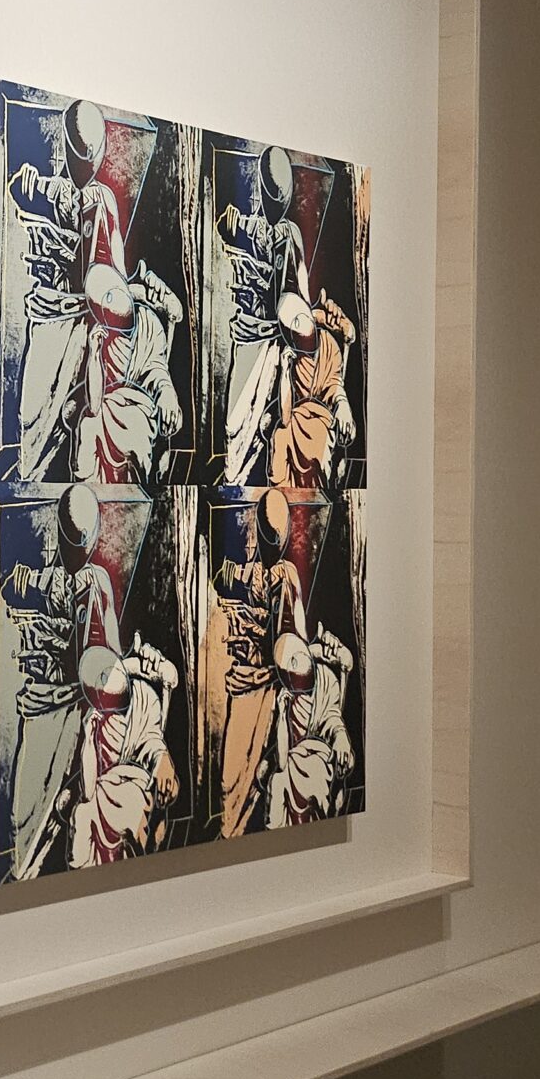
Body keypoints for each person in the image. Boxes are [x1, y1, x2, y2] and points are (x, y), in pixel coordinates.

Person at [3, 484, 120, 880]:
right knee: (24, 810)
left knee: (70, 800)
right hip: (42, 705)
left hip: (80, 708)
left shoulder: (97, 582)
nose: (79, 550)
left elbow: (110, 655)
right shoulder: (45, 581)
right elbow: (13, 587)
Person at [8, 100, 126, 481]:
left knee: (83, 414)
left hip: (86, 322)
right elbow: (16, 190)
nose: (86, 165)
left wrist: (112, 304)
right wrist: (28, 184)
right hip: (49, 317)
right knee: (31, 415)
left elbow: (117, 271)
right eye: (80, 154)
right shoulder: (47, 188)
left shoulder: (104, 200)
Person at [214, 487, 306, 839]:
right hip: (244, 681)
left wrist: (259, 630)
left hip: (271, 684)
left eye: (277, 536)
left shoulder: (287, 576)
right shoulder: (249, 573)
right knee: (230, 776)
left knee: (259, 767)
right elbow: (225, 580)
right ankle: (232, 829)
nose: (273, 544)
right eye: (268, 535)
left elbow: (293, 639)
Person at [218, 145, 308, 487]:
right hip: (247, 336)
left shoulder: (291, 234)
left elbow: (301, 290)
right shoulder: (245, 225)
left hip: (276, 339)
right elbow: (224, 228)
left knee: (270, 418)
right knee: (235, 422)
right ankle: (235, 475)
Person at [69, 638, 181, 868]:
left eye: (109, 670)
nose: (107, 677)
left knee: (133, 807)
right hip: (104, 788)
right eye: (101, 679)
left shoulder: (145, 697)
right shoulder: (95, 724)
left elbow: (152, 740)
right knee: (82, 815)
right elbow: (89, 786)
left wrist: (162, 759)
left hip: (137, 782)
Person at [72, 260, 184, 488]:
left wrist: (166, 394)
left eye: (113, 293)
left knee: (136, 430)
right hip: (107, 406)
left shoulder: (150, 323)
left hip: (140, 406)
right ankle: (92, 492)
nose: (112, 304)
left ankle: (135, 491)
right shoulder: (103, 338)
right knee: (88, 425)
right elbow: (94, 404)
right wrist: (95, 354)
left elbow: (157, 369)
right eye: (104, 302)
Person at [268, 289, 358, 494]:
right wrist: (285, 371)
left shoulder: (328, 344)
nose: (301, 323)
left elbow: (334, 383)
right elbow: (285, 417)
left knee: (318, 441)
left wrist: (342, 404)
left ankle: (318, 493)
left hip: (322, 416)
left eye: (301, 315)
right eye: (293, 322)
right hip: (296, 418)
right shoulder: (293, 360)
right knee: (281, 436)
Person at [274, 625, 356, 825]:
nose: (294, 665)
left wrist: (341, 738)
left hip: (322, 754)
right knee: (278, 781)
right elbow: (282, 762)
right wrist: (282, 714)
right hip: (294, 759)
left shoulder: (326, 679)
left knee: (316, 773)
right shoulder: (289, 699)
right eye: (289, 664)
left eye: (296, 655)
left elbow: (333, 718)